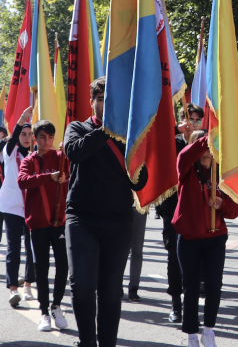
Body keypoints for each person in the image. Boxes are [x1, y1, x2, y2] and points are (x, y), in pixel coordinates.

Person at [64, 77, 149, 347]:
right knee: (82, 284)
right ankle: (87, 342)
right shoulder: (77, 127)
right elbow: (75, 152)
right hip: (82, 218)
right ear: (92, 102)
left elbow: (139, 181)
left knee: (111, 291)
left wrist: (134, 150)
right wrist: (105, 130)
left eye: (110, 100)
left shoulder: (127, 135)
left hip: (119, 220)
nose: (105, 104)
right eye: (100, 99)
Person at [173, 130, 238, 347]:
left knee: (213, 285)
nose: (210, 148)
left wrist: (222, 205)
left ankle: (209, 330)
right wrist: (209, 136)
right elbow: (184, 156)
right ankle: (192, 334)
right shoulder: (186, 170)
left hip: (215, 239)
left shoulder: (223, 174)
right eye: (205, 145)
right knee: (191, 287)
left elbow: (235, 210)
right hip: (190, 239)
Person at [16, 120, 69, 331]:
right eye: (42, 138)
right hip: (37, 223)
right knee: (42, 268)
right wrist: (50, 177)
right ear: (35, 140)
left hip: (60, 221)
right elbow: (22, 181)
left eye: (50, 138)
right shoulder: (29, 160)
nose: (46, 142)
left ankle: (57, 305)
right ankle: (45, 311)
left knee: (63, 266)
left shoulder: (61, 157)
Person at [156, 102, 204, 323]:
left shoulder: (205, 144)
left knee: (196, 256)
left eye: (197, 120)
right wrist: (177, 131)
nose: (193, 124)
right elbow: (159, 143)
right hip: (173, 207)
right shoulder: (173, 142)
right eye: (189, 120)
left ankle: (190, 300)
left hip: (197, 207)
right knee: (174, 256)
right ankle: (176, 302)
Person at [1, 106, 36, 307]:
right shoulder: (9, 152)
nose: (25, 137)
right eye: (23, 134)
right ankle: (13, 289)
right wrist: (23, 118)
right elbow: (13, 137)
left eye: (29, 134)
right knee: (14, 248)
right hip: (13, 207)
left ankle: (28, 284)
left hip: (30, 207)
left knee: (31, 248)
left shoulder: (33, 157)